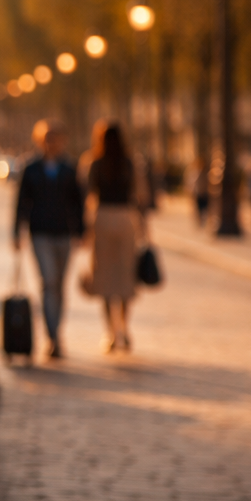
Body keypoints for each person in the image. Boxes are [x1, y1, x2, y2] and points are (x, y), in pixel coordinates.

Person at [12, 120, 84, 359]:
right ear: (40, 140)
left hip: (64, 233)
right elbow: (20, 202)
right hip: (40, 232)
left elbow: (78, 202)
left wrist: (82, 231)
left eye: (56, 138)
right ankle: (52, 335)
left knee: (60, 286)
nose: (52, 143)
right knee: (49, 281)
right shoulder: (30, 167)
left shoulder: (69, 168)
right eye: (47, 138)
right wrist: (16, 232)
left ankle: (56, 331)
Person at [80, 120, 146, 353]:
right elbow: (140, 196)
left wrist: (85, 230)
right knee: (125, 277)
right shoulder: (131, 162)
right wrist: (145, 228)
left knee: (105, 278)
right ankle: (125, 330)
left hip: (103, 219)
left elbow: (86, 195)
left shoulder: (94, 162)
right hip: (127, 219)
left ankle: (110, 332)